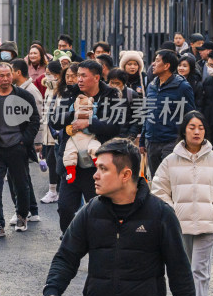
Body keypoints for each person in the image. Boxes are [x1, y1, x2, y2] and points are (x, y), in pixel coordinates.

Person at [42, 138, 200, 296]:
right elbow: (67, 256)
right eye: (96, 168)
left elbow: (179, 269)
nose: (95, 176)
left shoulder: (160, 215)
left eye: (103, 169)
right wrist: (53, 289)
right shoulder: (91, 212)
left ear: (125, 175)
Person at [152, 112, 213, 296]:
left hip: (206, 224)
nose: (196, 131)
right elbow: (159, 189)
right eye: (192, 127)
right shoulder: (170, 160)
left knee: (200, 270)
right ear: (184, 130)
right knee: (182, 269)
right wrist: (171, 214)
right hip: (179, 226)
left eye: (201, 127)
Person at [50, 60, 121, 233]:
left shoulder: (111, 95)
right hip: (71, 163)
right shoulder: (70, 92)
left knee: (98, 210)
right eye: (77, 75)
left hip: (96, 165)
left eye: (83, 75)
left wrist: (88, 123)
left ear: (96, 77)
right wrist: (74, 114)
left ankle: (97, 243)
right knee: (65, 208)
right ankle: (70, 240)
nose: (79, 79)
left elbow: (115, 126)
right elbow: (55, 120)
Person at [0, 62, 40, 238]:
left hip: (17, 149)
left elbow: (34, 120)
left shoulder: (24, 95)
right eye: (1, 75)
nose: (5, 79)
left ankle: (22, 216)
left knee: (21, 185)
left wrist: (24, 141)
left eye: (8, 75)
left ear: (12, 75)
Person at [141, 50, 197, 175]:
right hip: (151, 141)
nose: (153, 64)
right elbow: (147, 113)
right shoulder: (151, 85)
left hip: (171, 141)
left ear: (166, 66)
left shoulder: (182, 87)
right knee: (156, 181)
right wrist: (143, 140)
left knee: (170, 179)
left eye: (157, 61)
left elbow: (191, 115)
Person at [8, 58, 43, 223]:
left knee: (17, 177)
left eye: (10, 72)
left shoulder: (30, 92)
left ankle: (23, 210)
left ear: (18, 73)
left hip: (24, 141)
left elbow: (38, 119)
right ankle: (32, 210)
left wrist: (35, 142)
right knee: (23, 177)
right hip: (22, 140)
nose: (8, 76)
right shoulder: (20, 89)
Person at [40, 61, 63, 204]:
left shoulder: (63, 89)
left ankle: (54, 191)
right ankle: (55, 189)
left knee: (55, 161)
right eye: (47, 73)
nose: (48, 75)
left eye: (51, 73)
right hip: (47, 130)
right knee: (50, 160)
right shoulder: (48, 88)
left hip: (57, 131)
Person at [106, 68, 142, 142]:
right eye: (112, 82)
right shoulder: (103, 93)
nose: (114, 86)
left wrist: (131, 136)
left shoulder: (131, 94)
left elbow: (137, 117)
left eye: (117, 83)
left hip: (125, 138)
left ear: (124, 83)